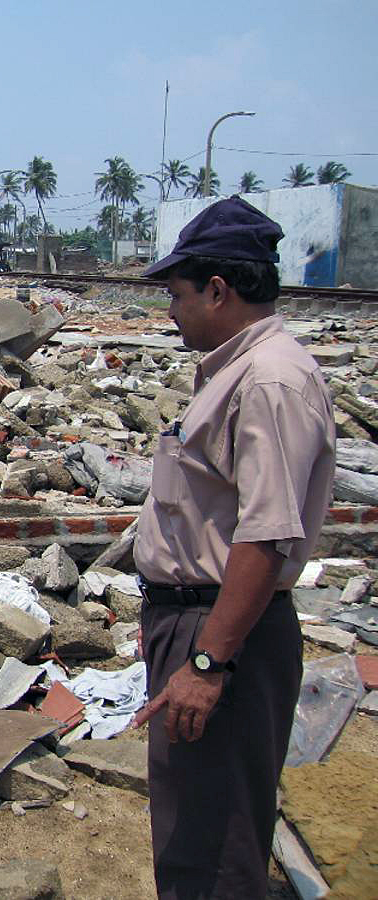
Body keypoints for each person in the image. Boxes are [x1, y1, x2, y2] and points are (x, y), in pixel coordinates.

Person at [130, 196, 335, 899]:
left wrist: (209, 660)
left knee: (214, 847)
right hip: (199, 623)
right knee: (194, 826)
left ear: (219, 290)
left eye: (178, 295)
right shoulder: (239, 372)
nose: (171, 313)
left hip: (225, 633)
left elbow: (267, 534)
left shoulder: (270, 381)